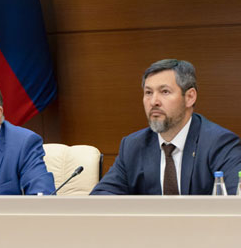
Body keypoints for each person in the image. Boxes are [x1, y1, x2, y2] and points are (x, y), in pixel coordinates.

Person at [91, 59, 241, 195]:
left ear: (190, 97)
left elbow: (236, 201)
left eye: (165, 92)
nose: (154, 102)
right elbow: (102, 196)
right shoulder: (133, 146)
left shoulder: (220, 144)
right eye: (148, 92)